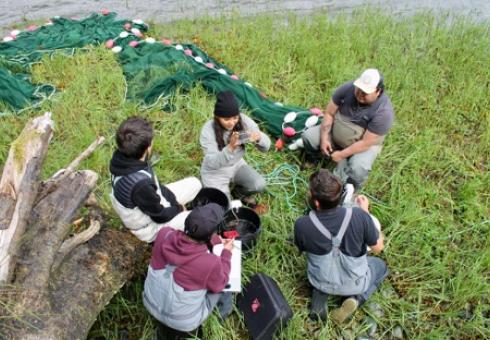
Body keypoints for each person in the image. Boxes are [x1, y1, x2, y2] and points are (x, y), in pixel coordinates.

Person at [294, 169, 388, 323]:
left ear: (316, 203)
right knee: (380, 266)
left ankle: (319, 296)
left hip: (319, 279)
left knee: (322, 276)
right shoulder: (360, 216)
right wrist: (365, 212)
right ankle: (356, 298)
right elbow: (378, 248)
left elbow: (301, 250)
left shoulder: (302, 224)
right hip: (355, 282)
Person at [143, 203, 234, 339]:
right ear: (211, 234)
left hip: (150, 303)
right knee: (224, 284)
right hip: (183, 321)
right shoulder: (210, 263)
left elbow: (185, 242)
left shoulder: (164, 234)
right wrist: (226, 253)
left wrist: (213, 240)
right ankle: (221, 314)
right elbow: (220, 283)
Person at [109, 117, 202, 243]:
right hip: (149, 227)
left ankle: (181, 212)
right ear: (148, 147)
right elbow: (159, 216)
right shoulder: (140, 185)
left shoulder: (125, 156)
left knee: (195, 183)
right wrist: (179, 208)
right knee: (201, 221)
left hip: (151, 202)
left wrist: (173, 202)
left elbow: (157, 188)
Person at [301, 68, 394, 189]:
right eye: (358, 89)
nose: (360, 94)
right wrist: (324, 139)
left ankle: (350, 188)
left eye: (365, 92)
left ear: (378, 91)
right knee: (308, 137)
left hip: (362, 145)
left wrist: (342, 155)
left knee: (359, 167)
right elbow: (329, 113)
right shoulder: (347, 88)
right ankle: (315, 158)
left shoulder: (384, 112)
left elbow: (365, 143)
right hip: (336, 131)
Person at [200, 90, 271, 210]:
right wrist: (230, 147)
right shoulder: (208, 131)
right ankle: (225, 197)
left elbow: (266, 147)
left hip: (236, 165)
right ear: (217, 117)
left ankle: (239, 193)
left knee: (259, 184)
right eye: (226, 119)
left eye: (235, 117)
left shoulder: (243, 120)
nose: (231, 122)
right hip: (214, 172)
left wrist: (259, 138)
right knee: (225, 208)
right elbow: (212, 162)